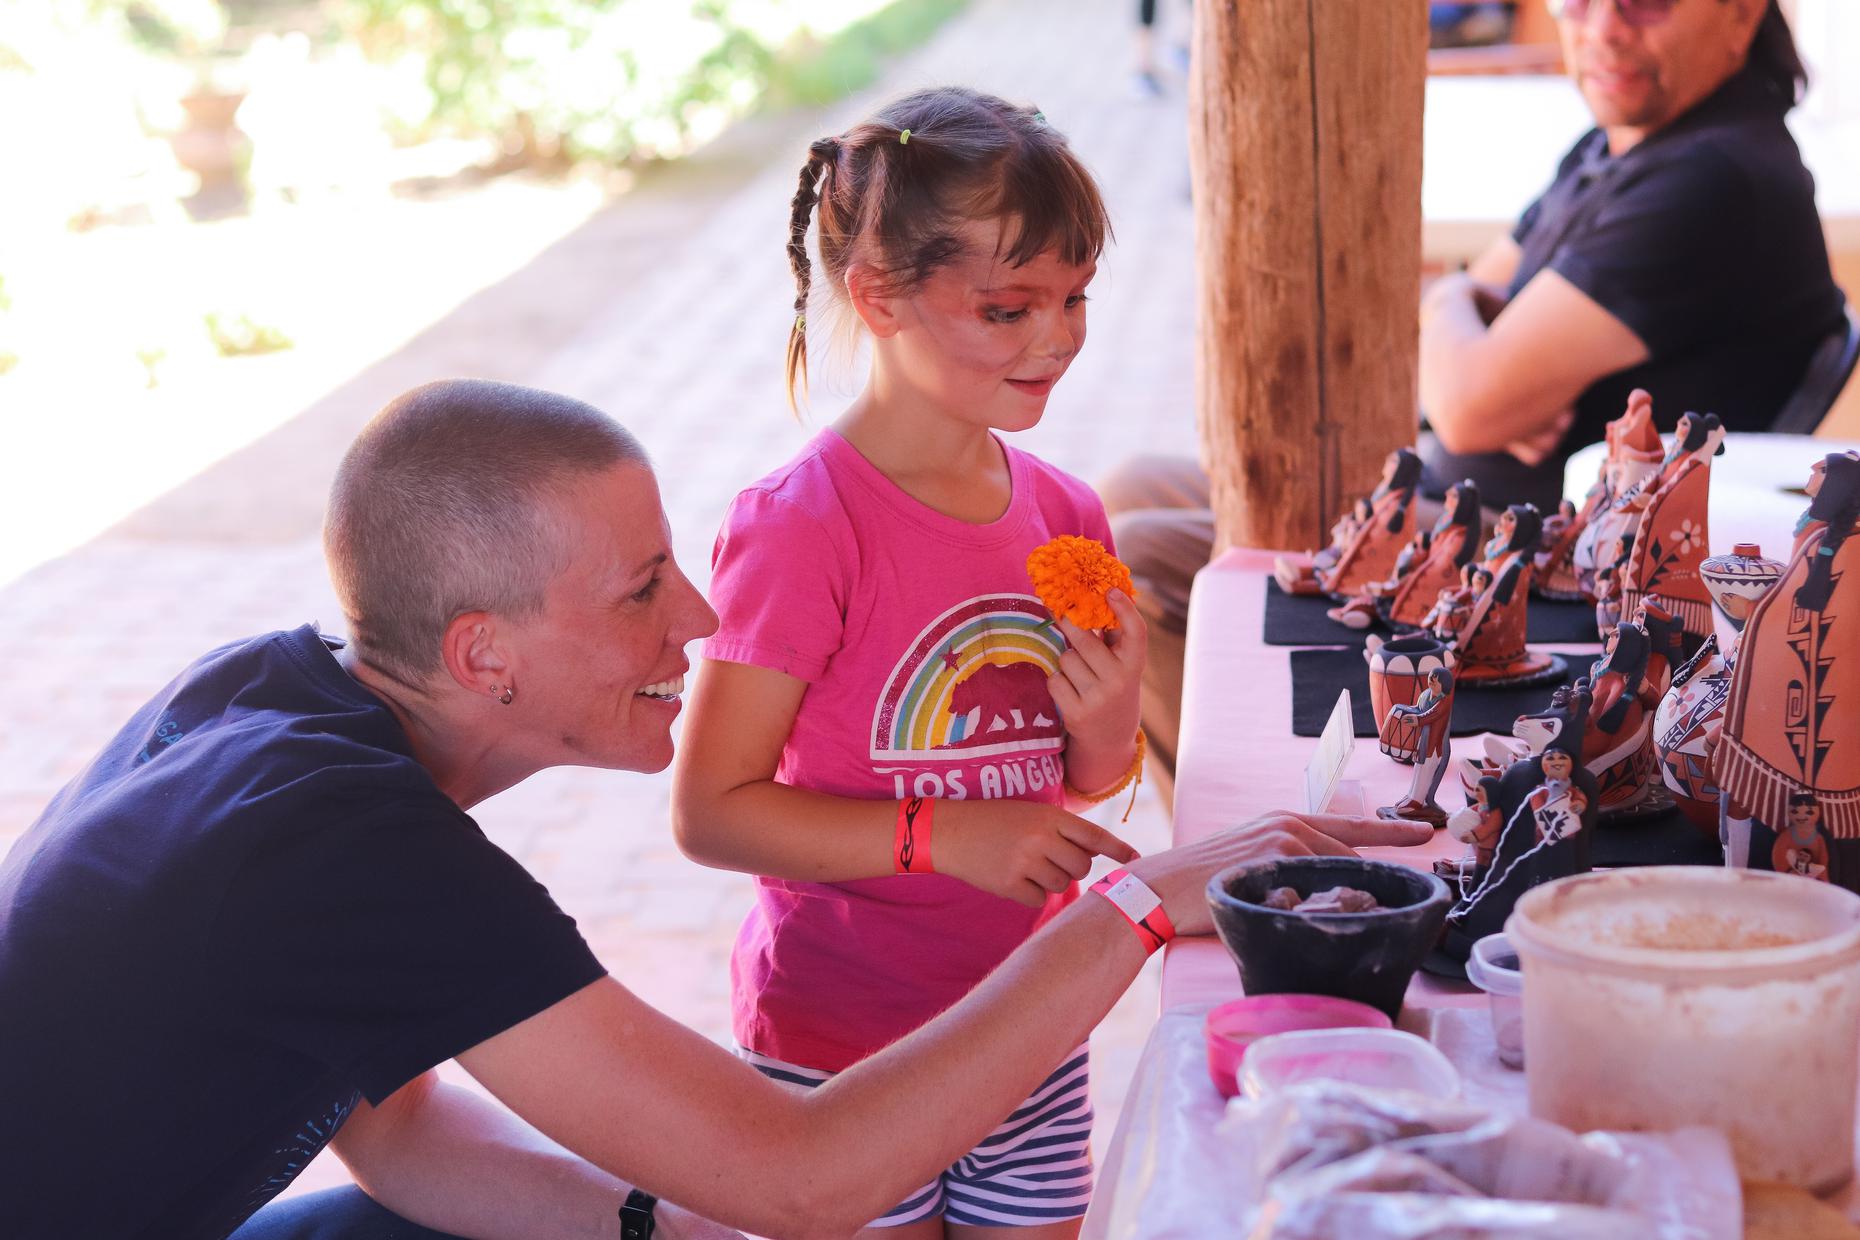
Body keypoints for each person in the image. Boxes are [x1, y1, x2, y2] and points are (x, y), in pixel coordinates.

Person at [0, 378, 1431, 1240]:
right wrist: (1130, 905)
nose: (696, 614)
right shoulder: (348, 848)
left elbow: (396, 1125)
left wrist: (657, 1222)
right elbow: (807, 1179)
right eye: (638, 592)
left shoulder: (282, 694)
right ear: (480, 654)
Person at [1103, 0, 1842, 811]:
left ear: (1740, 16)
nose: (1602, 27)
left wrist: (1458, 311)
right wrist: (1458, 302)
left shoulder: (1715, 180)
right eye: (1578, 1)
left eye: (1646, 2)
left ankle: (1246, 824)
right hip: (1462, 500)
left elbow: (1464, 401)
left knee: (1134, 564)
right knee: (1135, 485)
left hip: (1535, 559)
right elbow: (1462, 330)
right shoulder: (1621, 147)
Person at [671, 88, 1149, 1237]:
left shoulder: (1069, 512)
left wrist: (1115, 714)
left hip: (1026, 1028)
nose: (1058, 339)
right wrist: (938, 836)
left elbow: (1078, 781)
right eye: (1007, 308)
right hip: (840, 1055)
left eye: (1075, 298)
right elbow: (710, 812)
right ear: (878, 295)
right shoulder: (802, 526)